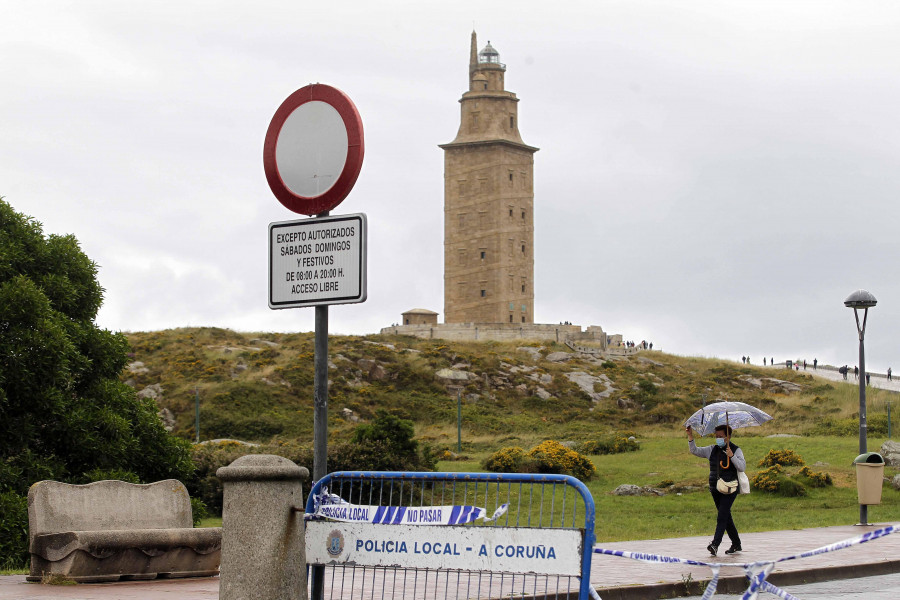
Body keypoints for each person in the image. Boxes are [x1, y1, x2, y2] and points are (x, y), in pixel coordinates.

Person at [686, 424, 744, 556]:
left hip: (730, 488)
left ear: (728, 437)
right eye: (716, 436)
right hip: (715, 488)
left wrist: (732, 456)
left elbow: (742, 467)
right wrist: (690, 436)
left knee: (722, 516)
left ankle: (715, 544)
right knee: (726, 517)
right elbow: (695, 450)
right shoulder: (712, 449)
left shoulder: (736, 450)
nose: (718, 439)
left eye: (721, 436)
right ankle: (736, 543)